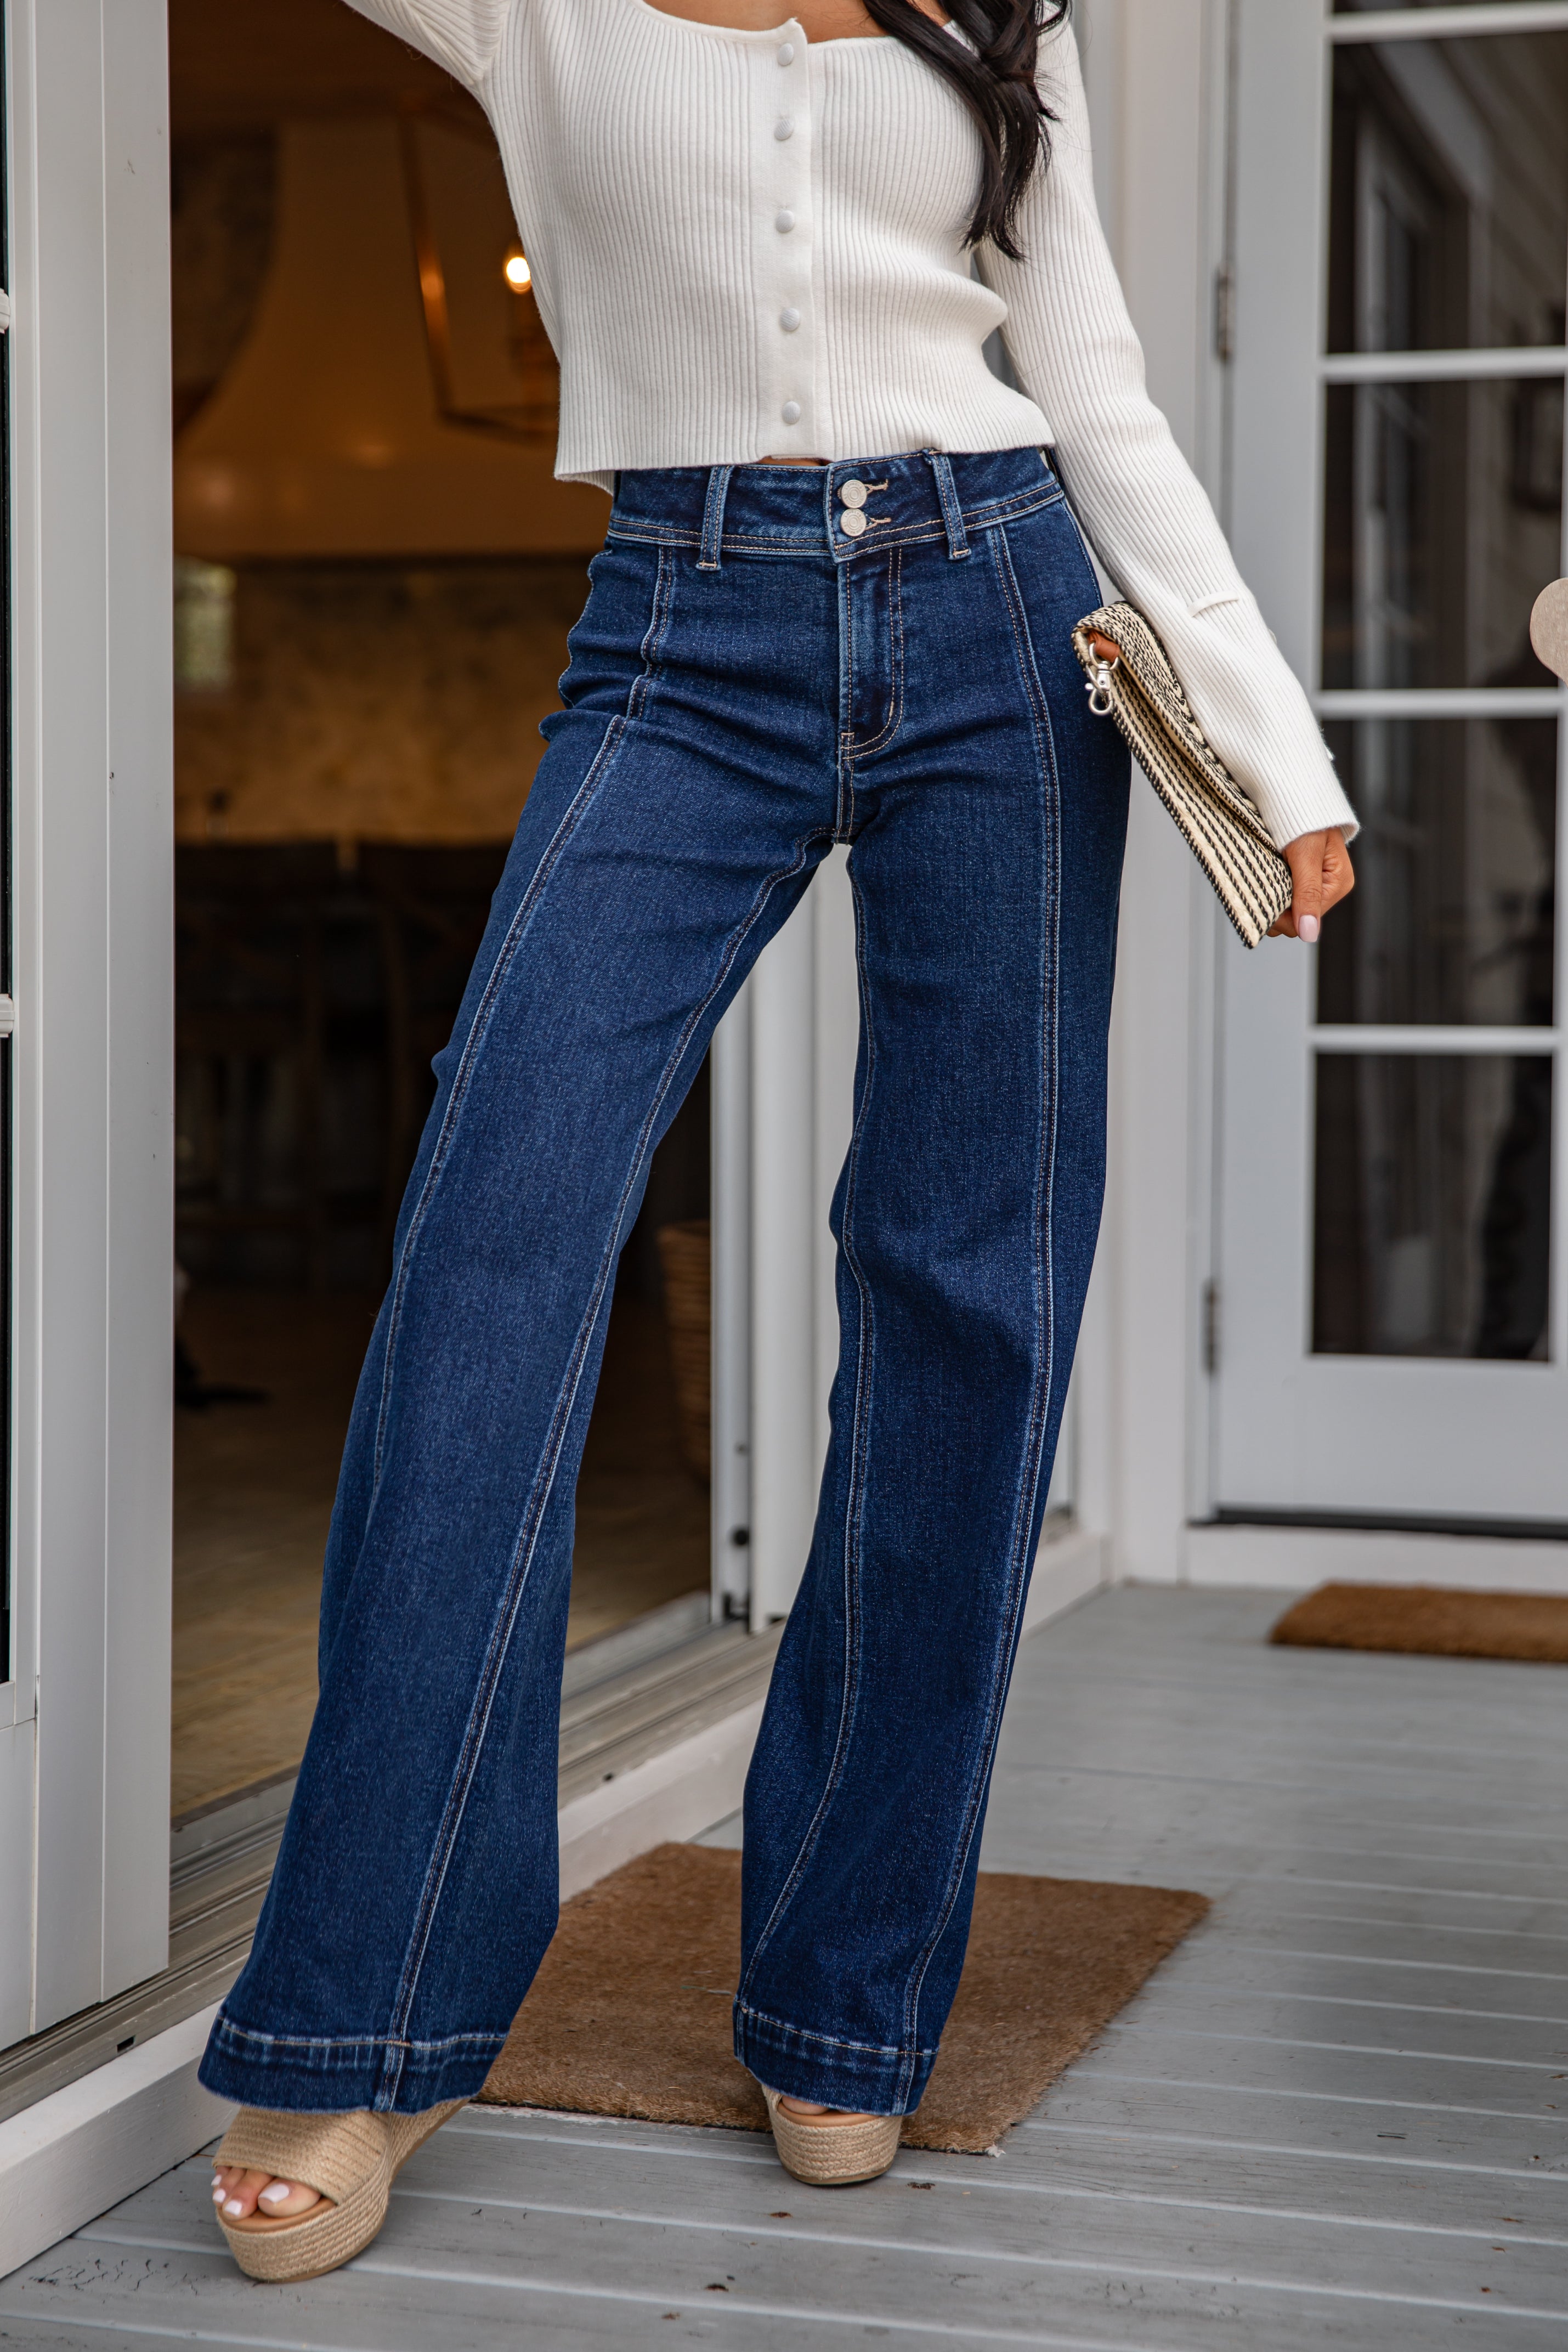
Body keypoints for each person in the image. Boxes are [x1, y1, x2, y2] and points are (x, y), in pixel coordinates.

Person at [203, 0, 1356, 2277]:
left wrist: (1273, 741)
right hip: (678, 621)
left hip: (1013, 620)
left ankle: (844, 1992)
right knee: (489, 1250)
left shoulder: (1002, 12)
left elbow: (1091, 365)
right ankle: (361, 2023)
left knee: (965, 1290)